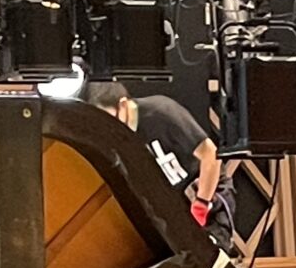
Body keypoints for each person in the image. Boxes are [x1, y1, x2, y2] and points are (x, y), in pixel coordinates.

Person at [81, 80, 231, 248]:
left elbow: (211, 154)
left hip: (206, 193)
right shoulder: (117, 140)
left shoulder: (161, 112)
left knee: (210, 254)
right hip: (171, 209)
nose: (109, 129)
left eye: (109, 120)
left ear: (123, 105)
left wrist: (202, 203)